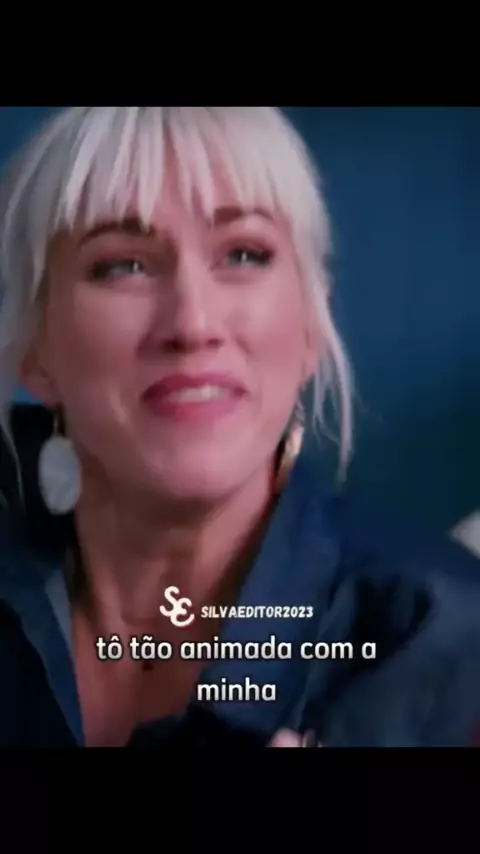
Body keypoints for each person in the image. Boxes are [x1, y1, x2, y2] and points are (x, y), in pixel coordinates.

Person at [1, 106, 480, 749]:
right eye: (123, 265)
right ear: (35, 350)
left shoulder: (436, 636)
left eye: (244, 254)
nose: (193, 323)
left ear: (309, 327)